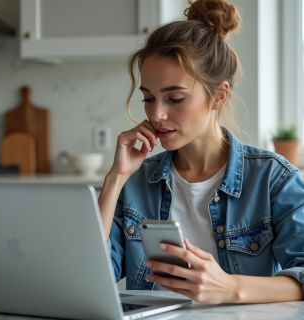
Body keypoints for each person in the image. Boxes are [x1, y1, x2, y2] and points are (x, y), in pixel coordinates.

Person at [98, 0, 304, 304]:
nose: (157, 114)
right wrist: (115, 179)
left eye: (175, 98)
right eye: (149, 98)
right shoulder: (135, 182)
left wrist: (229, 287)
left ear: (218, 96)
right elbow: (95, 275)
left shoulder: (273, 179)